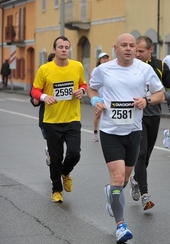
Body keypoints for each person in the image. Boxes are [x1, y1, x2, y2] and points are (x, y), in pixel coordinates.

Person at [87, 33, 164, 243]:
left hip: (133, 130)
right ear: (116, 48)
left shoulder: (144, 69)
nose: (129, 48)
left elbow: (161, 93)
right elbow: (91, 88)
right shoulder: (103, 70)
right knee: (118, 177)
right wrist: (95, 101)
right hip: (110, 131)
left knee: (126, 177)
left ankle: (112, 196)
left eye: (132, 45)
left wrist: (146, 100)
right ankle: (121, 226)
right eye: (124, 45)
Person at [31, 36, 87, 203]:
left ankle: (65, 172)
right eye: (60, 47)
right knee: (55, 158)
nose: (64, 49)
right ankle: (56, 190)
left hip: (72, 119)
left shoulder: (77, 66)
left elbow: (83, 84)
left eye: (66, 47)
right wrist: (44, 97)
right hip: (52, 121)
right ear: (54, 50)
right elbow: (34, 90)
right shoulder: (45, 69)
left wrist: (82, 91)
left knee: (74, 153)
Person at [129, 36, 170, 210]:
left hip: (153, 115)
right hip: (136, 116)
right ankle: (145, 194)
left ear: (150, 50)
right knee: (140, 154)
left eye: (141, 51)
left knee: (146, 156)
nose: (137, 54)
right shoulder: (130, 66)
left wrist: (161, 97)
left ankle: (135, 179)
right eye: (136, 50)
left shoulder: (160, 65)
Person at [30, 53, 55, 167]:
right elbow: (34, 93)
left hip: (64, 116)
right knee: (53, 144)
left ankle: (51, 152)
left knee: (60, 145)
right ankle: (53, 171)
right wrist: (35, 100)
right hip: (46, 117)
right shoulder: (44, 75)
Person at [92, 52, 110, 142]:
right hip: (99, 95)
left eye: (106, 58)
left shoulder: (110, 69)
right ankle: (95, 131)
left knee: (109, 114)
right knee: (98, 114)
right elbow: (92, 83)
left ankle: (108, 133)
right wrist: (96, 97)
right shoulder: (96, 69)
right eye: (103, 58)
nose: (105, 60)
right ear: (100, 60)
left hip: (108, 96)